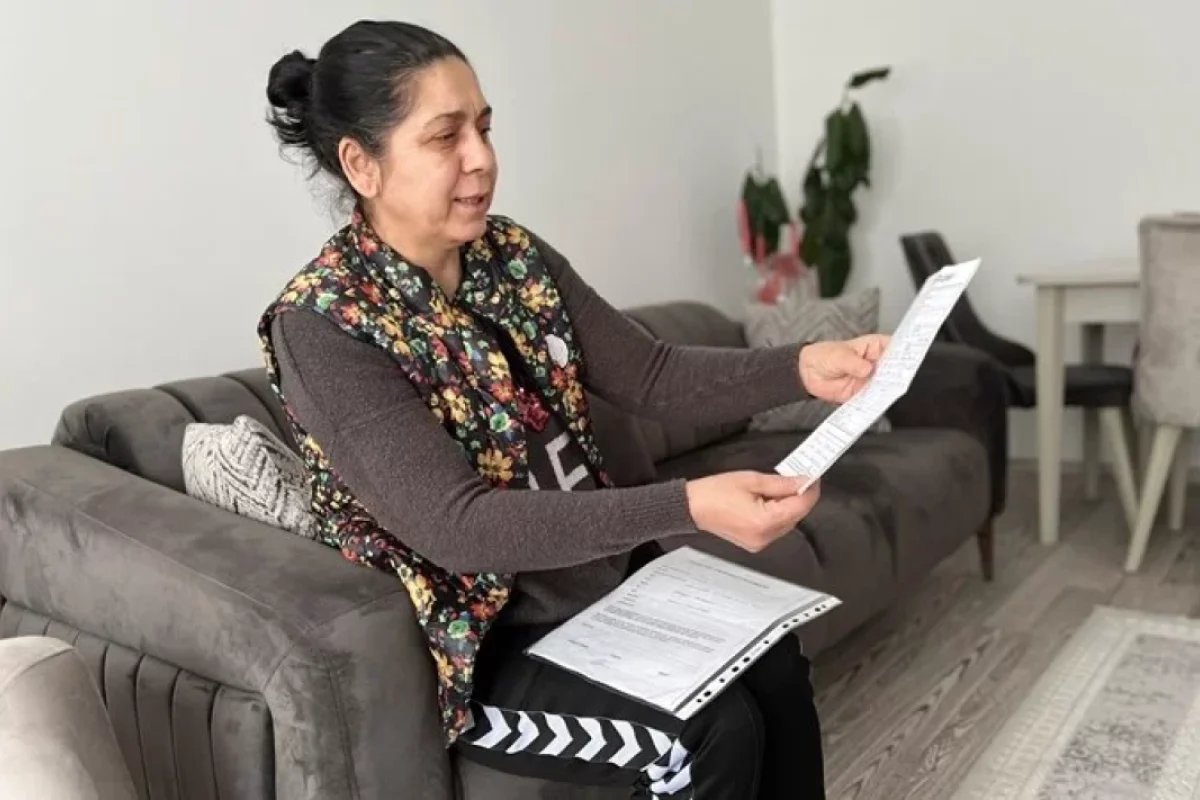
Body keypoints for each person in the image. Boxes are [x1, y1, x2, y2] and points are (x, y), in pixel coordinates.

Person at [261, 20, 888, 800]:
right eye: (446, 136)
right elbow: (459, 527)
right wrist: (689, 504)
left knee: (776, 665)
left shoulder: (512, 256)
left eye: (484, 127)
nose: (481, 157)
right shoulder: (323, 325)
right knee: (709, 731)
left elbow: (652, 374)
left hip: (603, 587)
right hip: (487, 644)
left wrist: (802, 367)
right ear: (362, 164)